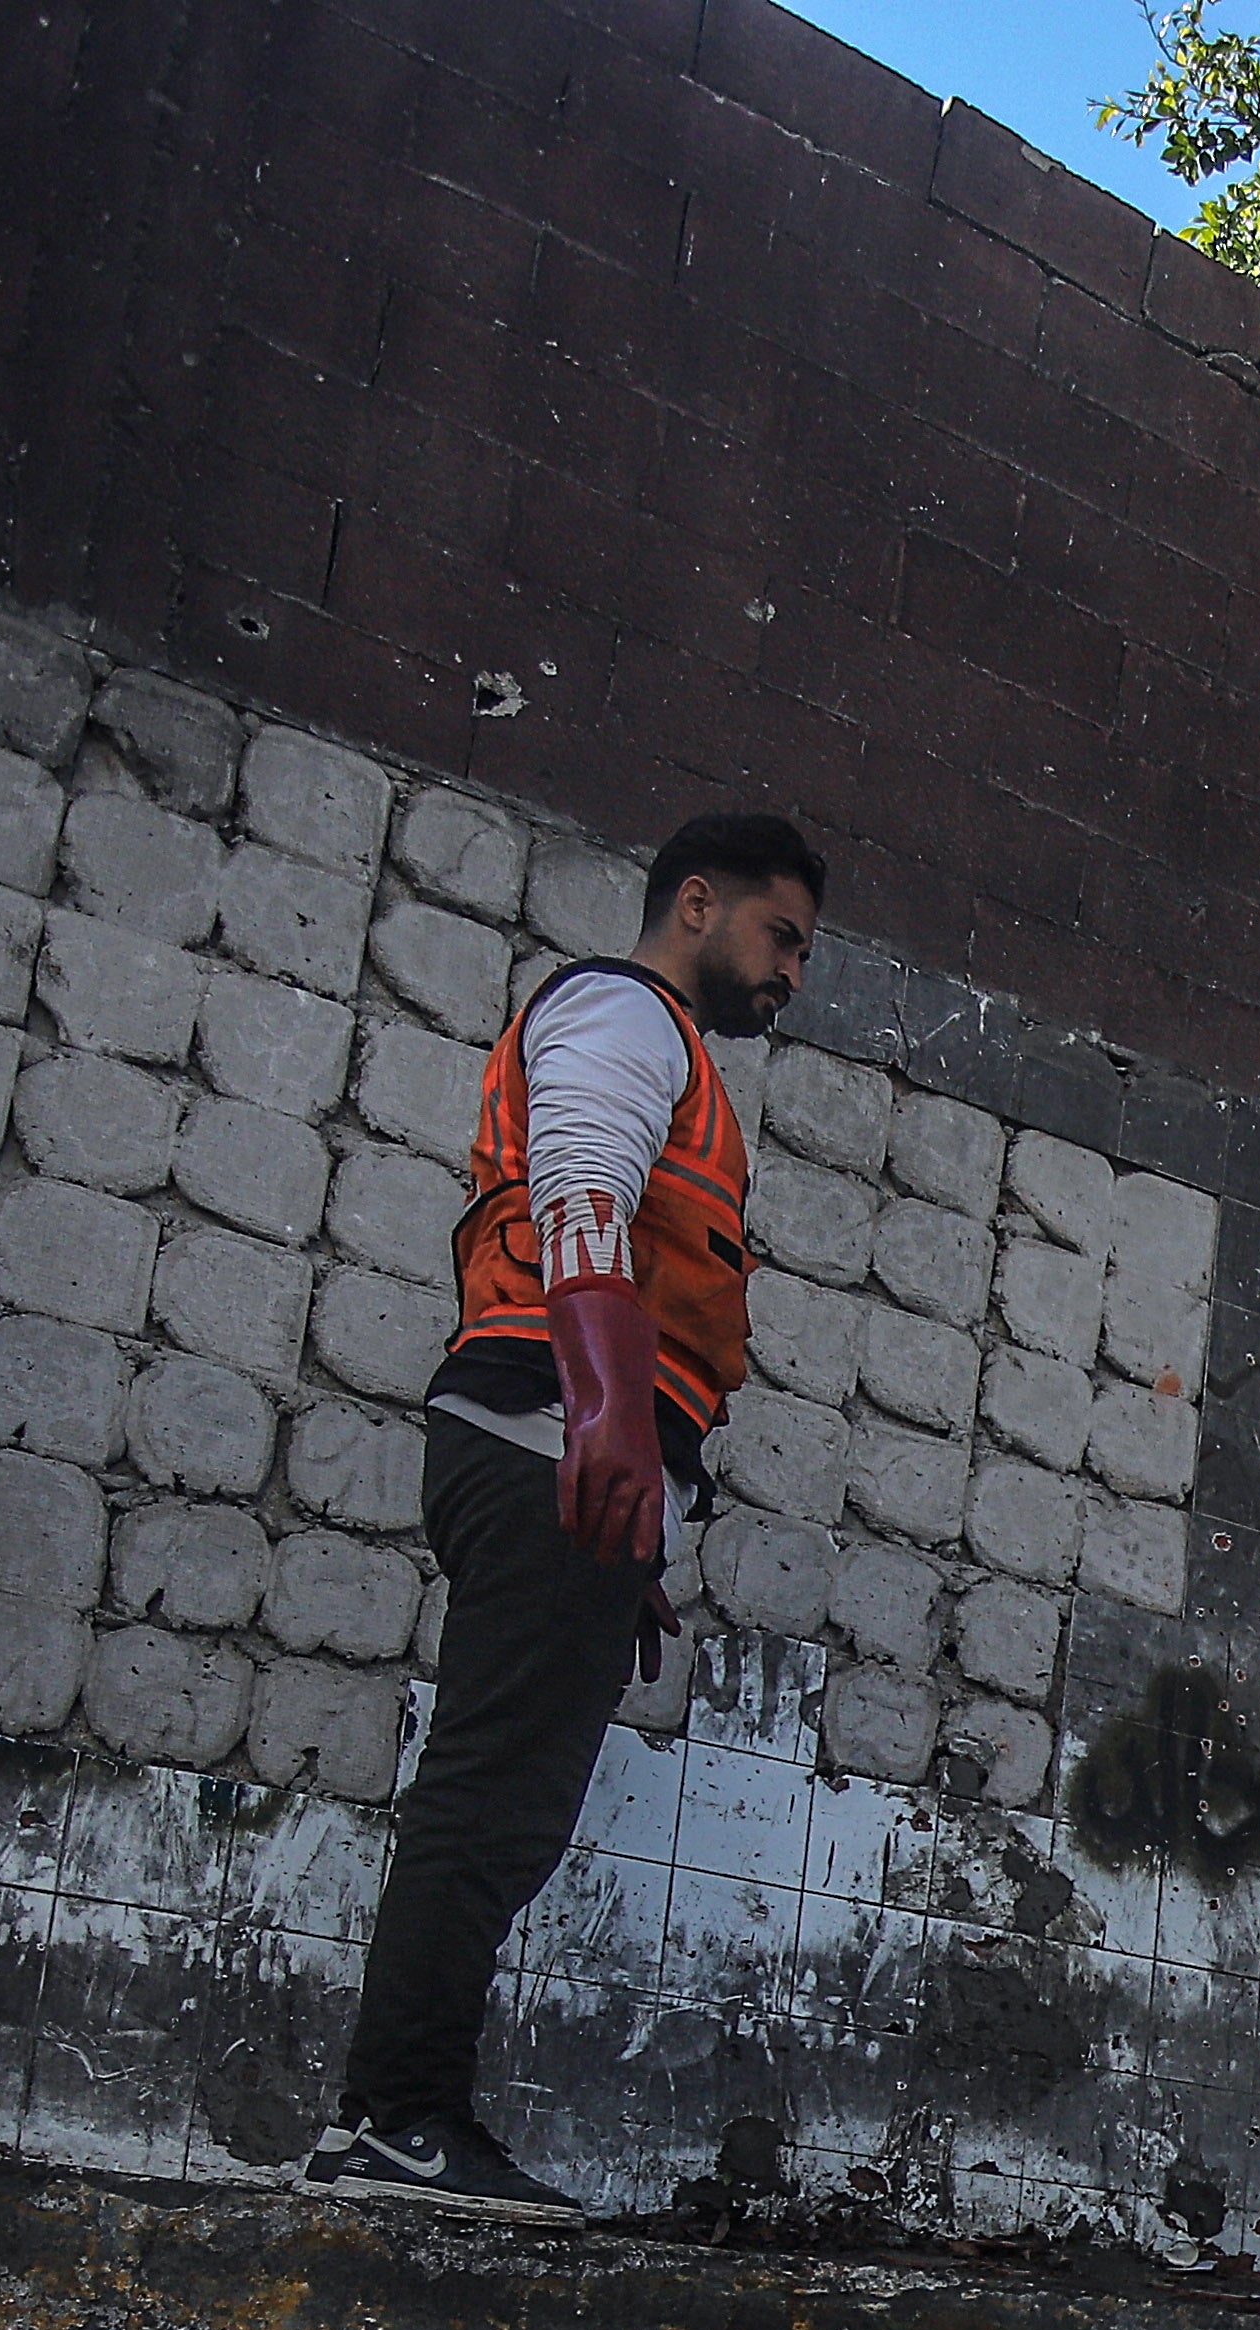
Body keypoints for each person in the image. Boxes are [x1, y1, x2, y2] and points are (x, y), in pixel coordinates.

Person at [301, 813, 829, 2219]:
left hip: (558, 1450)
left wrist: (635, 1509)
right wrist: (603, 1419)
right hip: (548, 1426)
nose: (790, 976)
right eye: (781, 938)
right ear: (698, 904)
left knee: (504, 1801)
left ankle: (394, 2119)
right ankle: (395, 2122)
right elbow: (583, 1192)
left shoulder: (674, 1051)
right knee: (490, 1801)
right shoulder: (622, 1012)